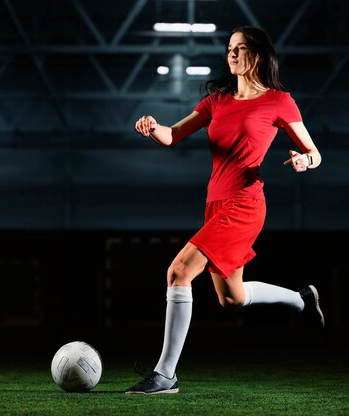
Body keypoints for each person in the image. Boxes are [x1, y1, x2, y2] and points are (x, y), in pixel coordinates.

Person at [125, 26, 324, 395]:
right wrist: (152, 127)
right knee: (230, 297)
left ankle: (165, 374)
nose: (231, 54)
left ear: (259, 56)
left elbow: (314, 152)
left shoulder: (279, 101)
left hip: (246, 204)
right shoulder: (217, 100)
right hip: (215, 204)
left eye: (240, 48)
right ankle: (301, 300)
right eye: (229, 48)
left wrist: (304, 162)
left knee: (179, 271)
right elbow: (172, 135)